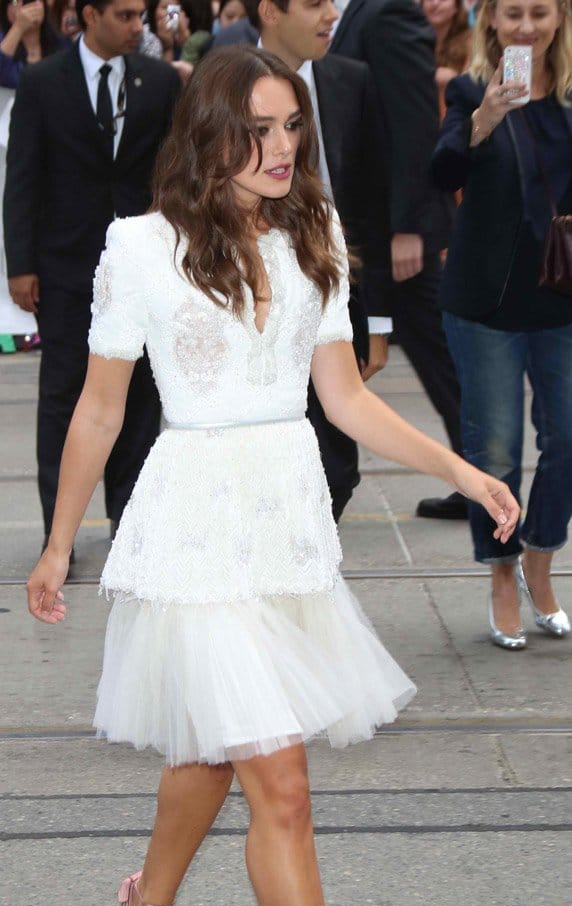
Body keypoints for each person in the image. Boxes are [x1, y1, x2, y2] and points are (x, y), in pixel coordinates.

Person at [27, 47, 519, 906]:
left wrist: (461, 466)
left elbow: (341, 398)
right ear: (209, 133)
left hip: (284, 526)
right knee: (276, 774)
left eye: (290, 124)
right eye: (260, 127)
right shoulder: (140, 250)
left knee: (216, 752)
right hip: (192, 527)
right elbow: (102, 411)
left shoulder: (315, 241)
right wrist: (62, 544)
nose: (284, 146)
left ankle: (149, 900)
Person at [4, 0, 180, 556]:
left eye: (142, 17)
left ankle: (130, 528)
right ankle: (61, 535)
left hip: (144, 268)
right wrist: (21, 264)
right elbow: (22, 174)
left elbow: (174, 174)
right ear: (89, 15)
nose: (138, 27)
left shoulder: (159, 82)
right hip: (64, 267)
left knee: (141, 397)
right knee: (63, 396)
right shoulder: (42, 82)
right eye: (126, 16)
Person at [211, 0, 394, 521]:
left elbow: (372, 202)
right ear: (270, 10)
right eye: (315, 3)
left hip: (332, 290)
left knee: (339, 466)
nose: (331, 14)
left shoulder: (353, 81)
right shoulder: (223, 84)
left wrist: (377, 321)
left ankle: (304, 550)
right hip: (249, 295)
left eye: (292, 126)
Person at [431, 0, 572, 649]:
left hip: (560, 296)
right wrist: (482, 120)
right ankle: (500, 572)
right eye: (512, 14)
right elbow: (442, 172)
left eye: (539, 14)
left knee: (567, 438)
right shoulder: (467, 89)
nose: (525, 28)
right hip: (486, 302)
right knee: (496, 452)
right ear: (491, 21)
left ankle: (540, 560)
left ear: (560, 18)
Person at [331, 0, 469, 521]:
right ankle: (480, 477)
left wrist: (410, 226)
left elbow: (414, 120)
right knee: (435, 356)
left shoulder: (388, 12)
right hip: (370, 224)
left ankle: (484, 480)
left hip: (394, 231)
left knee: (439, 356)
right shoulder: (353, 13)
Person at [0, 0, 66, 88]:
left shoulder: (61, 43)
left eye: (30, 1)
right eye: (14, 1)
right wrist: (18, 27)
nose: (24, 8)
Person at [421, 0, 472, 114]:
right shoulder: (413, 41)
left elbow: (472, 86)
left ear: (456, 6)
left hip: (457, 116)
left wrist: (453, 78)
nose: (435, 3)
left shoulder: (471, 41)